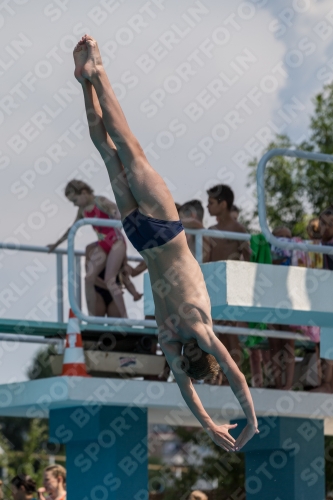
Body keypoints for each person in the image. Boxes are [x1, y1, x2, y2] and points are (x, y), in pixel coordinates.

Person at [72, 34, 258, 451]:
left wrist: (250, 422)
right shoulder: (172, 337)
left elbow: (236, 376)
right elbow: (185, 391)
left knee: (128, 146)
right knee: (107, 152)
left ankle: (98, 73)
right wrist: (208, 425)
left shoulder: (201, 329)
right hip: (140, 235)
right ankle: (85, 83)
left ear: (207, 355)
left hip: (164, 229)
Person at [47, 179, 129, 317]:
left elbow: (116, 209)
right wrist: (56, 244)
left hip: (116, 242)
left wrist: (116, 214)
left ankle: (126, 318)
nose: (74, 204)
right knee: (88, 278)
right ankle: (91, 318)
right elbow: (72, 229)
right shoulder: (82, 210)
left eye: (75, 200)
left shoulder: (100, 201)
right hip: (103, 244)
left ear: (84, 193)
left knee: (110, 279)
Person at [206, 185, 251, 375]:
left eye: (211, 203)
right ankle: (219, 376)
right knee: (217, 333)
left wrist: (244, 285)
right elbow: (206, 260)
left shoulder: (238, 229)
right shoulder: (210, 230)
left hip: (232, 287)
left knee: (231, 333)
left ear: (223, 204)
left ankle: (236, 374)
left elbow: (248, 257)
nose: (207, 207)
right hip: (214, 286)